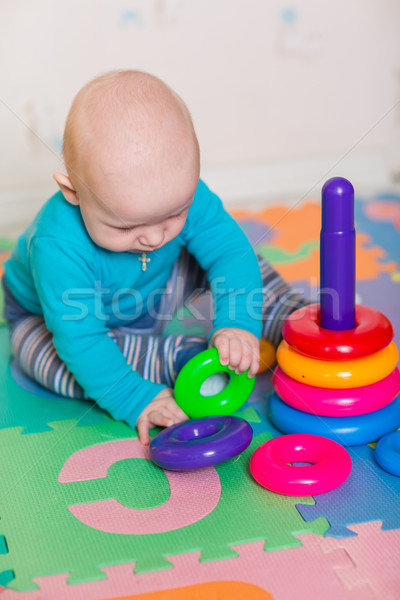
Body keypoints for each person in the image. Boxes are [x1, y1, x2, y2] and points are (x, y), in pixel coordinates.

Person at [2, 70, 307, 444]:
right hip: (57, 320)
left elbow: (230, 253)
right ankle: (177, 359)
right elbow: (80, 339)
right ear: (73, 191)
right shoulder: (57, 246)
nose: (154, 236)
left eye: (173, 215)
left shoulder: (180, 193)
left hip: (155, 287)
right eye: (126, 227)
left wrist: (237, 322)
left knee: (235, 257)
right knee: (42, 357)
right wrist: (133, 398)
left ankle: (286, 314)